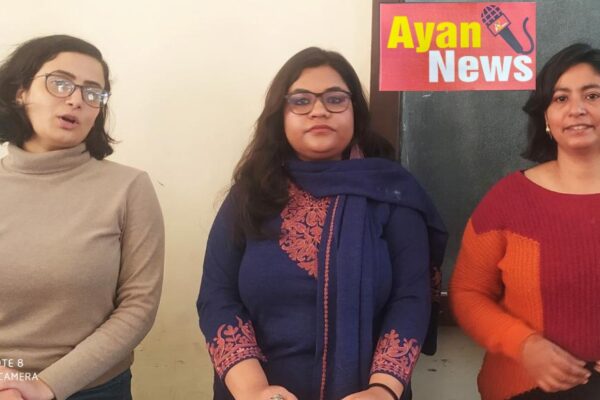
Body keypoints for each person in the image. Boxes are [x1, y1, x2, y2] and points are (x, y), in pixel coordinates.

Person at [197, 47, 446, 400]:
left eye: (335, 99)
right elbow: (217, 296)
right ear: (280, 115)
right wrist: (254, 389)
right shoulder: (250, 194)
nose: (319, 111)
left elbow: (411, 298)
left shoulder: (392, 194)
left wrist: (381, 390)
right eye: (301, 101)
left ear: (355, 111)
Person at [0, 35, 165, 400]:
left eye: (93, 92)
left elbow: (138, 306)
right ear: (20, 92)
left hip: (93, 389)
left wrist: (45, 386)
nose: (77, 99)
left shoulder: (128, 187)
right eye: (60, 83)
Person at [450, 43, 600, 400]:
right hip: (521, 389)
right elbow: (468, 293)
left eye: (592, 95)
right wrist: (524, 344)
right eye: (560, 98)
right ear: (545, 116)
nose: (577, 109)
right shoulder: (508, 200)